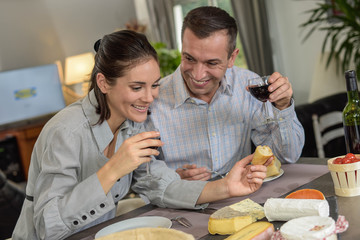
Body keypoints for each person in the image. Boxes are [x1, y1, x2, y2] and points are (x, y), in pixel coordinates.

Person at [12, 30, 271, 240]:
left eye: (154, 85)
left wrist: (226, 187)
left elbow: (160, 185)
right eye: (137, 87)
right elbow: (48, 227)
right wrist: (113, 169)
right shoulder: (65, 132)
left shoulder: (134, 123)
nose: (149, 98)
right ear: (103, 83)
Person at [146, 6, 305, 181]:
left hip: (241, 200)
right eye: (189, 58)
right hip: (177, 207)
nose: (198, 75)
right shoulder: (151, 100)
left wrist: (283, 107)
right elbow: (141, 179)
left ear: (231, 58)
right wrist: (172, 181)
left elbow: (286, 157)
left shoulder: (246, 85)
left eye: (212, 63)